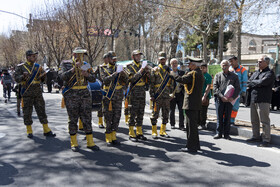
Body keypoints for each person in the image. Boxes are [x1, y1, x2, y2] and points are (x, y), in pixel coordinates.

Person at [60, 47, 99, 152]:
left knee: (87, 118)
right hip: (71, 94)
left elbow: (94, 79)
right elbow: (62, 77)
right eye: (79, 54)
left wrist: (86, 74)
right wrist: (73, 70)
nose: (81, 57)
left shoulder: (86, 64)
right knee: (73, 119)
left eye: (82, 54)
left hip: (85, 94)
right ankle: (74, 143)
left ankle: (90, 142)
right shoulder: (66, 64)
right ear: (74, 54)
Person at [14, 50, 56, 138]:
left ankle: (46, 129)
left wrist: (43, 76)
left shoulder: (38, 67)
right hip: (27, 92)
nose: (34, 58)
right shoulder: (21, 67)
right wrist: (23, 76)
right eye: (33, 56)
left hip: (37, 92)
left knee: (41, 110)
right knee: (27, 112)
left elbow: (43, 80)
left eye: (35, 56)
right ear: (28, 57)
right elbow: (16, 79)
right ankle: (29, 130)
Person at [170, 56, 204, 153]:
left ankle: (191, 147)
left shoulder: (193, 74)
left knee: (190, 126)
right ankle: (195, 145)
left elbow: (181, 79)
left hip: (191, 103)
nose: (188, 65)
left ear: (193, 65)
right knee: (193, 126)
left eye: (189, 64)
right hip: (195, 103)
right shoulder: (198, 73)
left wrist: (172, 73)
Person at [99, 51, 128, 146]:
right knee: (108, 116)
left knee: (117, 116)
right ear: (108, 59)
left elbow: (126, 81)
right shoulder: (102, 68)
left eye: (115, 58)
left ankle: (114, 135)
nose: (114, 60)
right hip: (109, 96)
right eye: (112, 58)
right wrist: (115, 74)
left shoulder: (119, 68)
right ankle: (108, 136)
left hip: (118, 96)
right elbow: (105, 80)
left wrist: (123, 74)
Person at [246, 55, 275, 147]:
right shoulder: (256, 72)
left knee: (264, 121)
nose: (258, 63)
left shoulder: (270, 73)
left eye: (260, 61)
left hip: (263, 100)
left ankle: (266, 139)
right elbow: (249, 82)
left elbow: (262, 82)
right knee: (254, 120)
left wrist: (255, 83)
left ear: (267, 63)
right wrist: (256, 83)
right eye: (258, 61)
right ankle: (256, 136)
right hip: (254, 99)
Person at [125, 50, 150, 142]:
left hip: (142, 91)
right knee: (133, 112)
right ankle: (131, 132)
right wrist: (141, 70)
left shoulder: (143, 66)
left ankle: (139, 132)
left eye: (140, 55)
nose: (139, 57)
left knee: (141, 112)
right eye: (137, 55)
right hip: (134, 92)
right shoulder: (129, 67)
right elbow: (132, 79)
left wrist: (148, 72)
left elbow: (149, 80)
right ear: (133, 57)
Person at [213, 60, 240, 140]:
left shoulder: (234, 76)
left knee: (228, 117)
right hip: (220, 99)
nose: (224, 66)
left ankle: (226, 134)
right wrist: (221, 96)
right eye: (223, 65)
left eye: (226, 65)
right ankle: (218, 133)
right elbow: (215, 88)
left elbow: (238, 88)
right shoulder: (217, 75)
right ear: (221, 66)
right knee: (219, 117)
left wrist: (233, 97)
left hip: (229, 100)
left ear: (229, 66)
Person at [150, 52, 173, 139]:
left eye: (164, 59)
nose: (163, 60)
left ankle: (163, 131)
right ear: (158, 59)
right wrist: (152, 95)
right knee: (155, 113)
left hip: (166, 95)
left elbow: (171, 83)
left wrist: (172, 93)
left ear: (166, 59)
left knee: (166, 113)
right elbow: (151, 83)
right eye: (161, 59)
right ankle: (154, 131)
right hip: (157, 95)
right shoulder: (154, 70)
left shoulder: (168, 70)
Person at [229, 55, 248, 125]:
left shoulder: (243, 69)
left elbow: (245, 81)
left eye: (232, 61)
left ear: (236, 60)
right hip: (229, 91)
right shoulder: (229, 69)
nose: (231, 63)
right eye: (230, 61)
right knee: (228, 106)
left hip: (237, 92)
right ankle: (226, 119)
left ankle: (232, 120)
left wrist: (243, 91)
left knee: (235, 107)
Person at [169, 58, 185, 130]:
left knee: (181, 110)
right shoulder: (169, 73)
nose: (174, 64)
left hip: (180, 93)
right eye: (173, 63)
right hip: (172, 94)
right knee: (172, 110)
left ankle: (181, 125)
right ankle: (172, 124)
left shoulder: (182, 72)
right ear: (170, 64)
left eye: (175, 63)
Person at [94, 53, 109, 128]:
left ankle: (107, 121)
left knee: (107, 106)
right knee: (100, 105)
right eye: (106, 58)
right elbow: (94, 75)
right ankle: (100, 121)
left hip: (109, 88)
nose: (108, 60)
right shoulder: (100, 67)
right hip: (101, 87)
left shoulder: (112, 67)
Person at [198, 63, 212, 130]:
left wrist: (204, 96)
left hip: (205, 96)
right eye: (201, 68)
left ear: (206, 68)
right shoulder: (199, 75)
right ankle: (198, 123)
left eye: (204, 68)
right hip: (198, 95)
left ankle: (203, 124)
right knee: (198, 111)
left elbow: (208, 86)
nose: (202, 69)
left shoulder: (208, 76)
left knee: (203, 111)